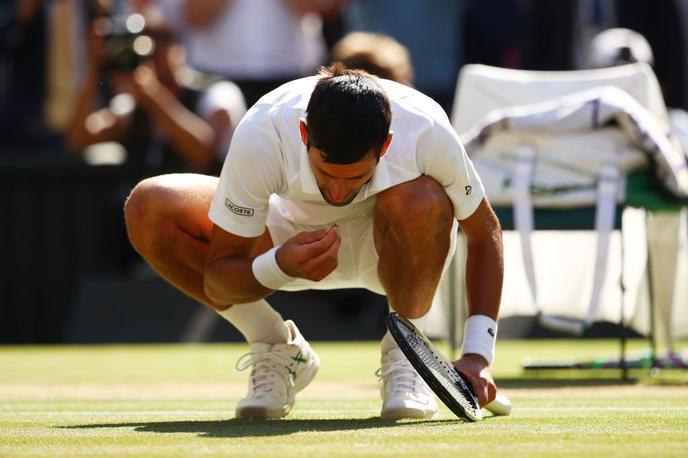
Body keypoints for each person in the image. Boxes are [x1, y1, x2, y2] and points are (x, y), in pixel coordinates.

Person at [124, 64, 504, 419]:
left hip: (393, 246)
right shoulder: (263, 131)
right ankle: (275, 346)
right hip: (285, 238)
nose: (338, 192)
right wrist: (278, 265)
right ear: (304, 134)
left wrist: (477, 354)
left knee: (421, 198)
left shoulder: (427, 129)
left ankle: (406, 359)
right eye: (326, 173)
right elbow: (217, 278)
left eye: (355, 178)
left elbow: (484, 233)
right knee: (148, 207)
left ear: (385, 146)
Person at [66, 8, 245, 175]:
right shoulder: (132, 102)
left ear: (178, 47)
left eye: (159, 41)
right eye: (142, 43)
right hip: (147, 205)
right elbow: (79, 139)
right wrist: (95, 66)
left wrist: (154, 97)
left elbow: (204, 156)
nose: (151, 54)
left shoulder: (218, 93)